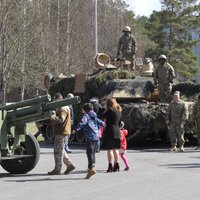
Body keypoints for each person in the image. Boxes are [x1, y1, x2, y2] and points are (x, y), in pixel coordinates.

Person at [73, 103, 105, 179]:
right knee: (93, 152)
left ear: (85, 109)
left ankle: (91, 169)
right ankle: (92, 167)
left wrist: (76, 129)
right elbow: (99, 121)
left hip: (90, 136)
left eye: (82, 109)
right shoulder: (93, 114)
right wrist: (105, 124)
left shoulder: (86, 115)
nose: (81, 110)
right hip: (96, 136)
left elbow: (83, 122)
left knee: (89, 153)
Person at [48, 93, 75, 175]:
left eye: (55, 99)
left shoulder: (62, 108)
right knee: (61, 150)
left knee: (57, 152)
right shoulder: (66, 106)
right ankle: (70, 165)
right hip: (64, 131)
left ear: (59, 99)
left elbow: (61, 120)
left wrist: (51, 118)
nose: (54, 101)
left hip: (61, 132)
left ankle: (57, 169)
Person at [101, 98, 122, 172]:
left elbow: (101, 116)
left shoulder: (110, 110)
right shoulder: (119, 111)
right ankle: (117, 165)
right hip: (117, 131)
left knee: (109, 149)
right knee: (115, 149)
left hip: (110, 131)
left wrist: (103, 108)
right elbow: (119, 124)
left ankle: (110, 166)